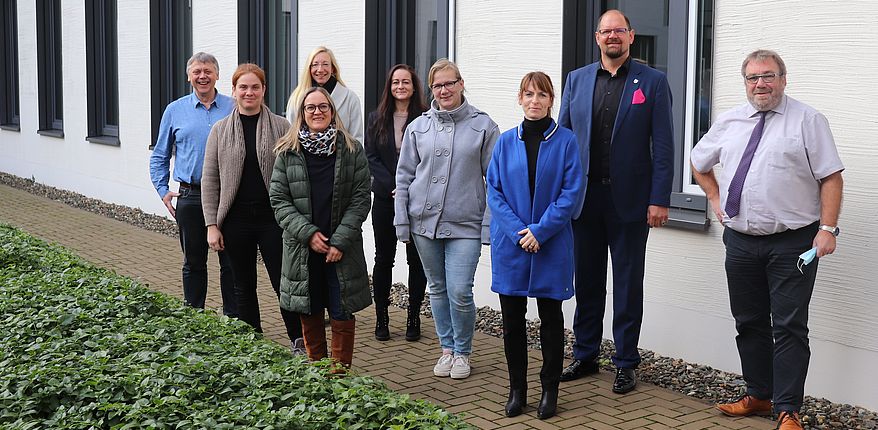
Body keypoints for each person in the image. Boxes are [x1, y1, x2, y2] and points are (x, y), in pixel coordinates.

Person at [691, 49, 844, 430]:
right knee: (749, 321)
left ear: (783, 79)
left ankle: (788, 410)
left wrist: (827, 230)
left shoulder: (808, 120)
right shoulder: (729, 121)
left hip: (793, 242)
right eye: (753, 77)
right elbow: (698, 161)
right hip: (740, 241)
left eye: (769, 76)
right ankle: (759, 395)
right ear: (744, 82)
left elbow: (831, 177)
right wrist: (713, 197)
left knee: (790, 326)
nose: (761, 84)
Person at [558, 9, 674, 394]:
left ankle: (625, 362)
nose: (612, 37)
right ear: (597, 37)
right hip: (585, 200)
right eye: (606, 31)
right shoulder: (576, 80)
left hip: (630, 202)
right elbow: (564, 142)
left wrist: (659, 199)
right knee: (587, 282)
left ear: (631, 36)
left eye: (618, 31)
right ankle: (586, 354)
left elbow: (664, 145)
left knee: (627, 285)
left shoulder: (653, 82)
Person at [394, 59, 499, 380]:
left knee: (460, 291)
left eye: (450, 83)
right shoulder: (418, 127)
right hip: (424, 224)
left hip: (465, 224)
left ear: (461, 83)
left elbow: (496, 181)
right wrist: (402, 221)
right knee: (437, 289)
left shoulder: (483, 126)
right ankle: (447, 349)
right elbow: (404, 177)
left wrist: (487, 226)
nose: (444, 90)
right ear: (432, 90)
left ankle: (463, 352)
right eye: (438, 85)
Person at [487, 72, 584, 420]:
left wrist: (539, 232)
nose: (534, 101)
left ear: (551, 100)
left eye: (542, 95)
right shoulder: (504, 142)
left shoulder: (567, 142)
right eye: (528, 94)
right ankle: (517, 390)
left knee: (551, 319)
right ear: (520, 99)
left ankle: (549, 390)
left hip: (551, 244)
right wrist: (518, 232)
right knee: (512, 322)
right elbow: (494, 193)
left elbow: (570, 194)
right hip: (512, 246)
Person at [200, 63, 303, 353]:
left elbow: (295, 174)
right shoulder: (220, 130)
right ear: (233, 91)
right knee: (242, 284)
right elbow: (210, 180)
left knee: (284, 282)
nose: (249, 92)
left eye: (255, 87)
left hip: (274, 219)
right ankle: (252, 342)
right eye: (243, 87)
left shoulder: (282, 126)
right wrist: (211, 225)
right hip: (235, 220)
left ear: (263, 90)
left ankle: (298, 339)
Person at [270, 87, 372, 373]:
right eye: (310, 108)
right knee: (309, 309)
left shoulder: (352, 150)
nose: (317, 112)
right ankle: (317, 375)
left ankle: (339, 378)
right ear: (302, 114)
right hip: (303, 249)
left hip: (342, 250)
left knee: (341, 311)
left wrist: (339, 241)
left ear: (332, 111)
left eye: (323, 107)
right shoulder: (287, 152)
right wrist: (309, 234)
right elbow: (279, 200)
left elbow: (361, 197)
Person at [149, 52, 237, 316]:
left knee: (231, 262)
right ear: (189, 76)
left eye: (208, 71)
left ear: (217, 75)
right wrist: (163, 190)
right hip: (190, 196)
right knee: (194, 262)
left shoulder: (233, 107)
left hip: (229, 196)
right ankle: (194, 320)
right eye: (197, 71)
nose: (203, 76)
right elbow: (160, 155)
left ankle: (235, 321)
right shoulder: (175, 111)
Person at [365, 64, 429, 342]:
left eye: (406, 82)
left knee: (416, 261)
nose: (400, 86)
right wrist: (394, 186)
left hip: (417, 199)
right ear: (389, 88)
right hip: (384, 198)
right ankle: (382, 317)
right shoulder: (376, 118)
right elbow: (371, 157)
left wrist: (408, 188)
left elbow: (430, 161)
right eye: (395, 82)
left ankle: (414, 317)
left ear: (414, 87)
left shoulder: (427, 119)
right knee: (384, 259)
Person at [286, 46, 364, 145]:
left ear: (333, 69)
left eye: (325, 64)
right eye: (315, 65)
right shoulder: (296, 99)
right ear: (309, 69)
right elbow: (291, 137)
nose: (320, 69)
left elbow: (357, 140)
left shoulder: (350, 99)